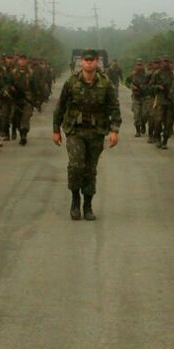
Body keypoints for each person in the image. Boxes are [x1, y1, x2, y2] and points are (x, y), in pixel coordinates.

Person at [53, 48, 121, 220]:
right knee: (76, 166)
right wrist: (56, 130)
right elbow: (60, 106)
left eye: (92, 60)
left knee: (90, 169)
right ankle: (75, 200)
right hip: (75, 131)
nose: (89, 63)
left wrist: (114, 130)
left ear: (97, 62)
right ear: (81, 62)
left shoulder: (105, 83)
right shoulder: (72, 82)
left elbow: (114, 107)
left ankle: (88, 205)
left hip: (96, 132)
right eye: (86, 60)